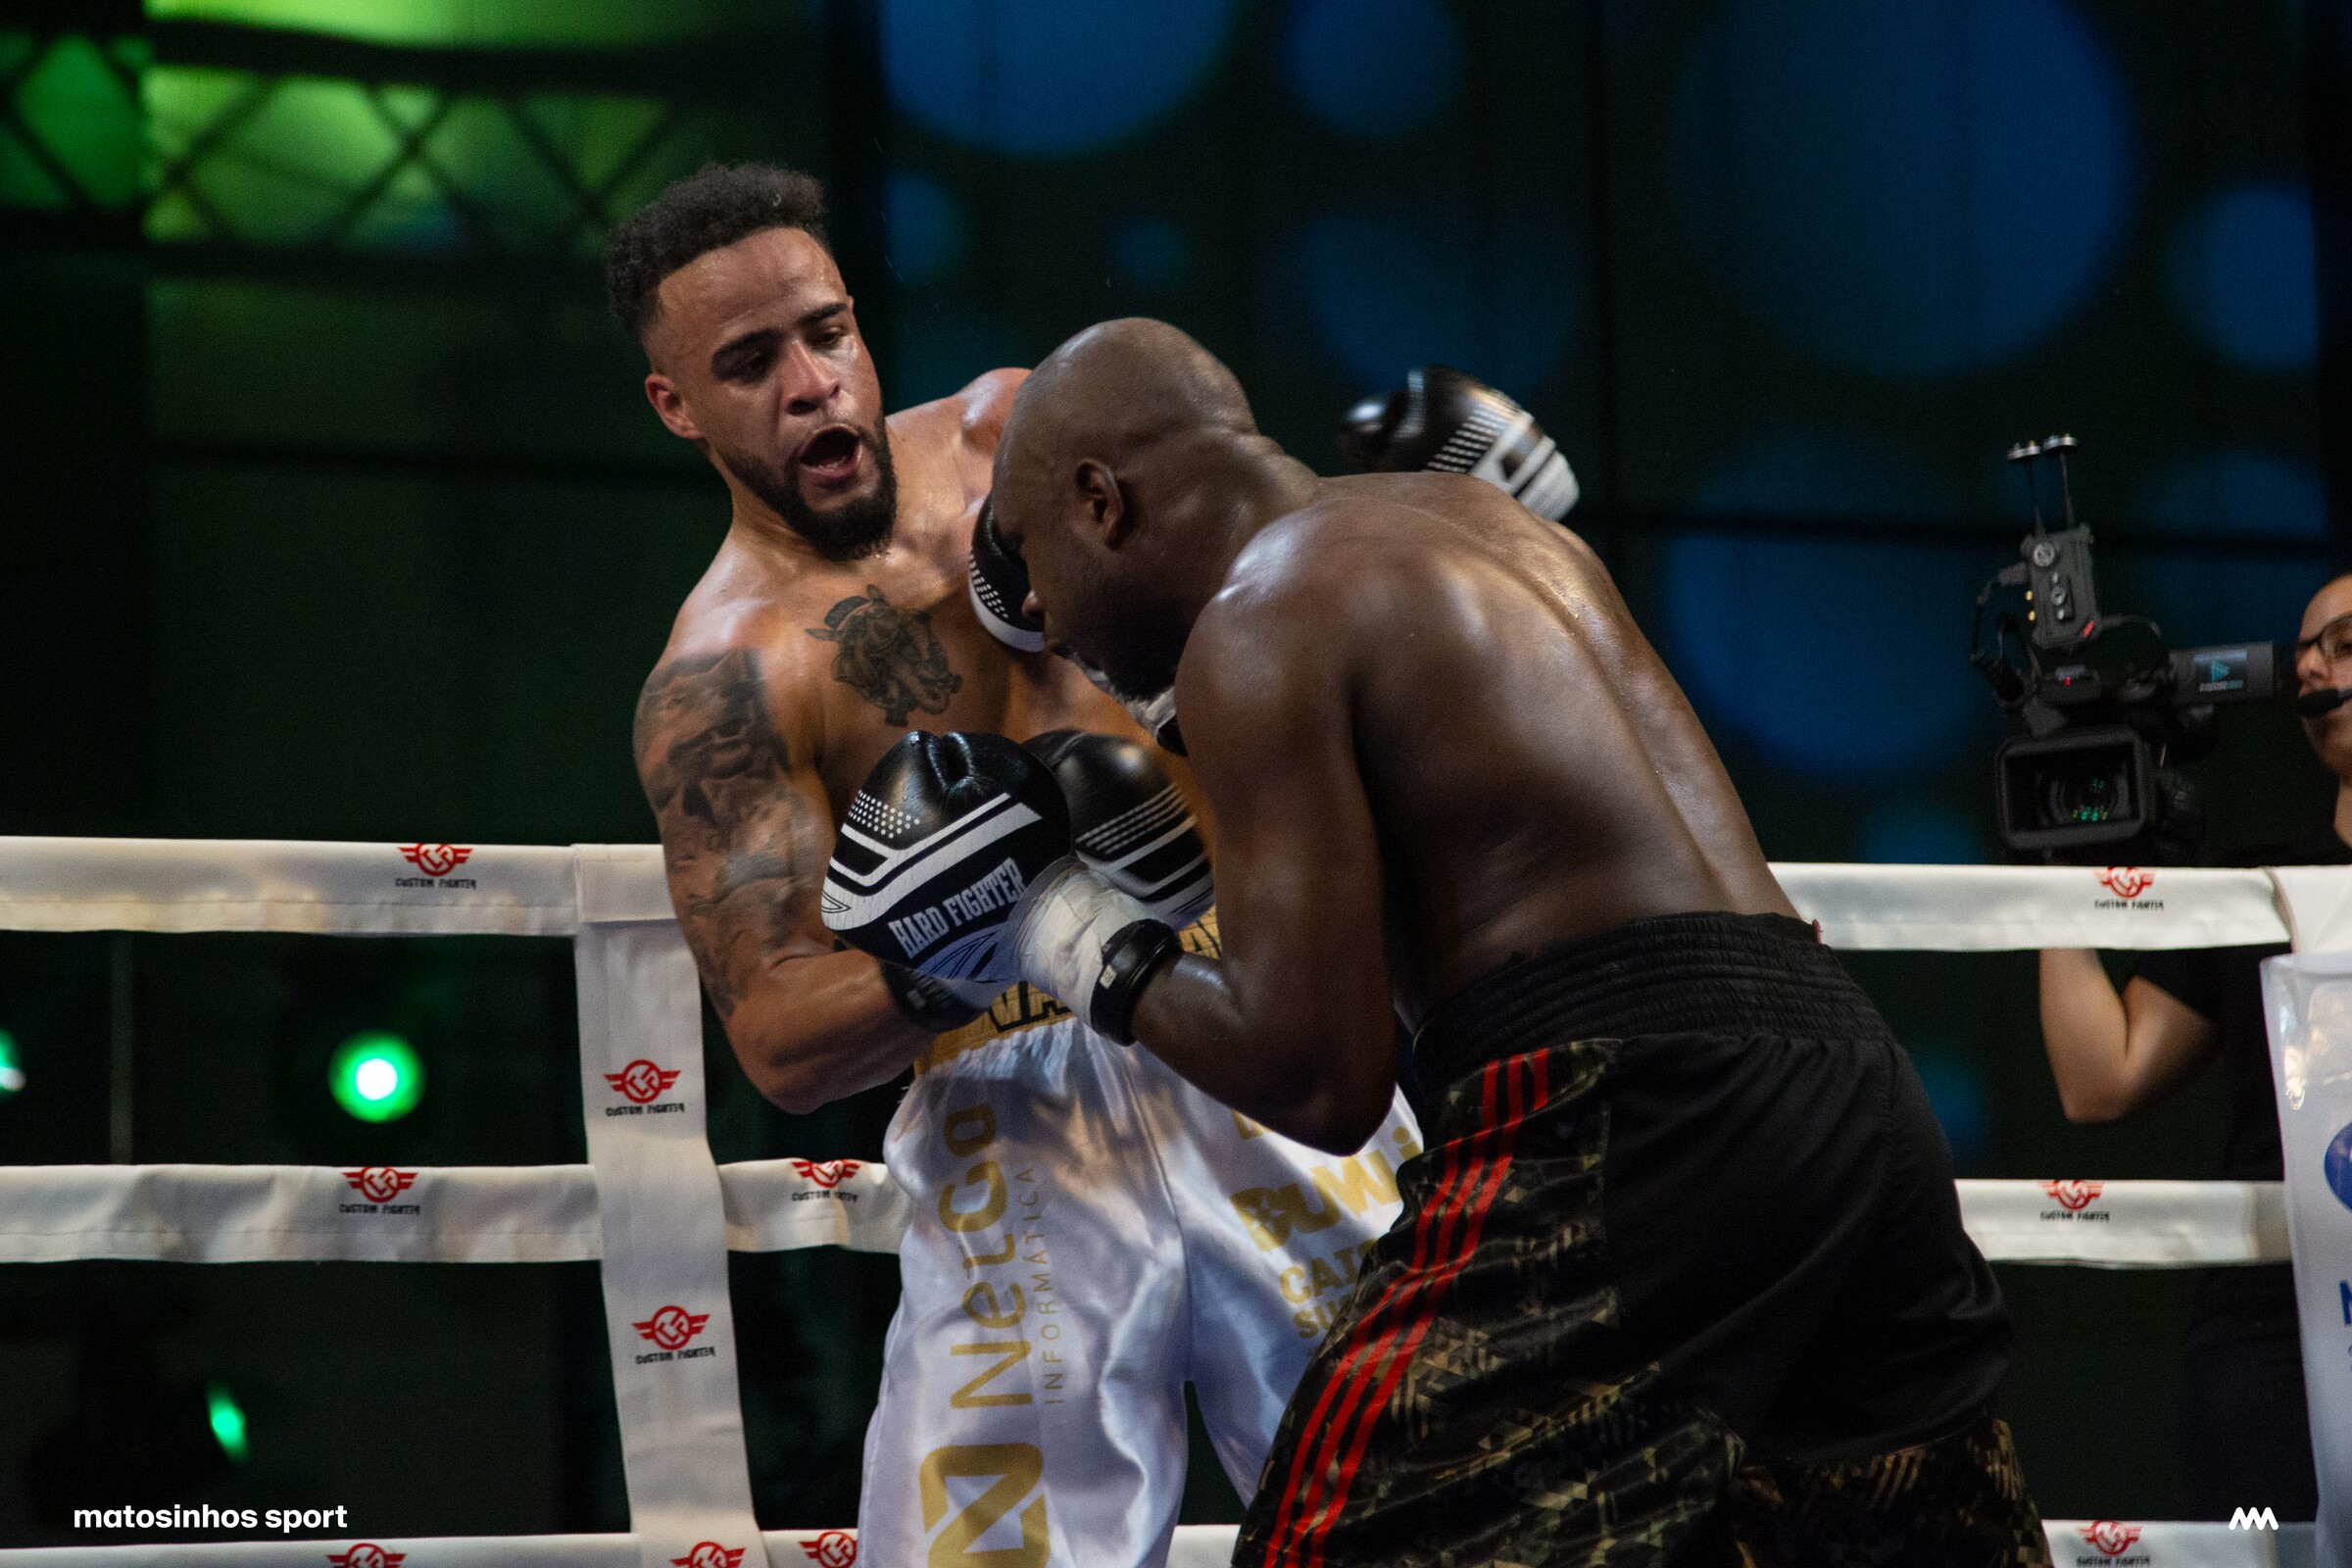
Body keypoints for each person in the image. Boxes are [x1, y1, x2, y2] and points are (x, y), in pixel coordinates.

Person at [827, 318, 2050, 1565]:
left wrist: (1052, 920)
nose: (1033, 613)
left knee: (1322, 1545)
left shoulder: (1255, 619)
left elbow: (1322, 1076)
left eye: (1029, 553)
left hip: (1620, 1105)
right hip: (1843, 1075)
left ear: (1102, 500)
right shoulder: (1485, 525)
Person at [605, 170, 1419, 1566]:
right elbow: (781, 1036)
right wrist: (965, 939)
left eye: (826, 331)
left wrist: (1440, 515)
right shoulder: (724, 679)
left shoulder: (1018, 437)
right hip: (1013, 1104)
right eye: (750, 364)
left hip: (1243, 999)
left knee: (1441, 1495)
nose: (810, 385)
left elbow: (1292, 570)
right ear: (677, 405)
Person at [2035, 573, 2352, 1524]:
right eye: (2303, 652)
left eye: (2344, 642)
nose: (2312, 668)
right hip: (2274, 1331)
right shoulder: (2258, 894)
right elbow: (2100, 1078)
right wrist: (2057, 866)